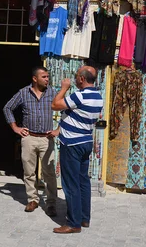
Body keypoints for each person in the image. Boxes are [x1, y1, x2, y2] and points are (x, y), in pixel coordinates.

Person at [51, 65, 103, 234]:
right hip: (85, 141)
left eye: (76, 76)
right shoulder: (97, 96)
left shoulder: (80, 96)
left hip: (72, 144)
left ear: (82, 79)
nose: (74, 78)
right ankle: (84, 218)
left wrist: (63, 88)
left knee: (70, 184)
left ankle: (73, 223)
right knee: (83, 182)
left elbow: (55, 104)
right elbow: (74, 116)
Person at [3, 66, 58, 217]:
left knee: (49, 172)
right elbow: (7, 108)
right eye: (44, 77)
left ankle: (51, 203)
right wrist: (15, 127)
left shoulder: (53, 93)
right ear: (35, 78)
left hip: (47, 139)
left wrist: (58, 130)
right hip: (29, 138)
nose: (47, 79)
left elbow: (67, 110)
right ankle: (32, 199)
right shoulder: (23, 93)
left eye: (48, 77)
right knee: (28, 172)